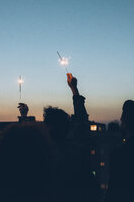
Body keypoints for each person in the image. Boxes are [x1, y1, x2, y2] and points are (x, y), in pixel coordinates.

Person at [42, 73, 101, 202]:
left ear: (49, 128)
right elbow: (82, 122)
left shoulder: (45, 156)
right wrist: (74, 89)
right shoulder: (77, 149)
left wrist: (24, 118)